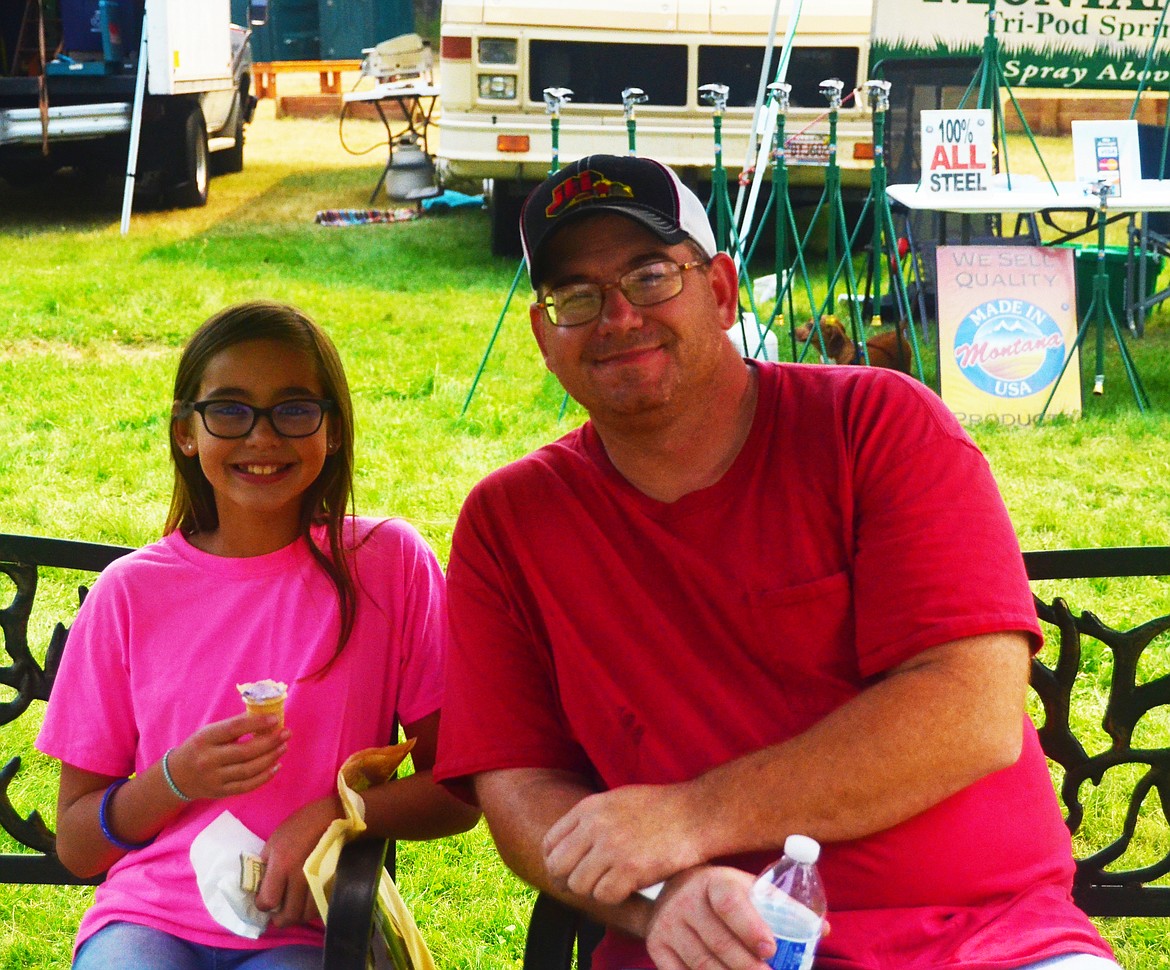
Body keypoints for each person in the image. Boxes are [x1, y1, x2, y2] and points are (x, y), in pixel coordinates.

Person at [433, 155, 1118, 970]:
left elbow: (969, 711)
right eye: (575, 297)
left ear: (721, 292)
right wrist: (660, 897)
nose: (616, 316)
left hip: (979, 938)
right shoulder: (511, 521)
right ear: (547, 338)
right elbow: (516, 790)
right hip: (703, 949)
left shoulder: (876, 427)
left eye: (650, 276)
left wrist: (690, 819)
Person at [38, 301, 479, 969]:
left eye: (295, 409)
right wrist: (175, 779)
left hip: (308, 924)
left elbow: (458, 788)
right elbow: (77, 843)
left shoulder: (387, 567)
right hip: (148, 918)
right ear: (186, 432)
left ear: (332, 430)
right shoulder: (129, 592)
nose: (262, 437)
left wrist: (337, 810)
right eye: (230, 410)